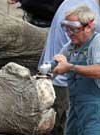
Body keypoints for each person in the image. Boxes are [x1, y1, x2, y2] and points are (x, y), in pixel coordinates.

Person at [38, 0, 100, 135]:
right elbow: (56, 63)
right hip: (74, 108)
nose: (69, 33)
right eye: (66, 28)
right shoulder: (71, 46)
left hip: (94, 109)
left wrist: (70, 67)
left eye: (73, 29)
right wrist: (46, 72)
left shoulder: (96, 42)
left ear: (88, 27)